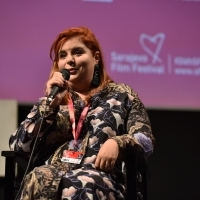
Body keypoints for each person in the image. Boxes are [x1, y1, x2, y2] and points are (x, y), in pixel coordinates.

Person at [9, 26, 155, 200]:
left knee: (82, 183)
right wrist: (50, 106)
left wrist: (119, 142)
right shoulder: (53, 100)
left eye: (78, 52)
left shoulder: (122, 95)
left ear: (96, 58)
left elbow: (145, 139)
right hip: (54, 176)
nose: (69, 60)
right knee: (37, 178)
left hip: (104, 179)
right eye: (63, 55)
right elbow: (19, 147)